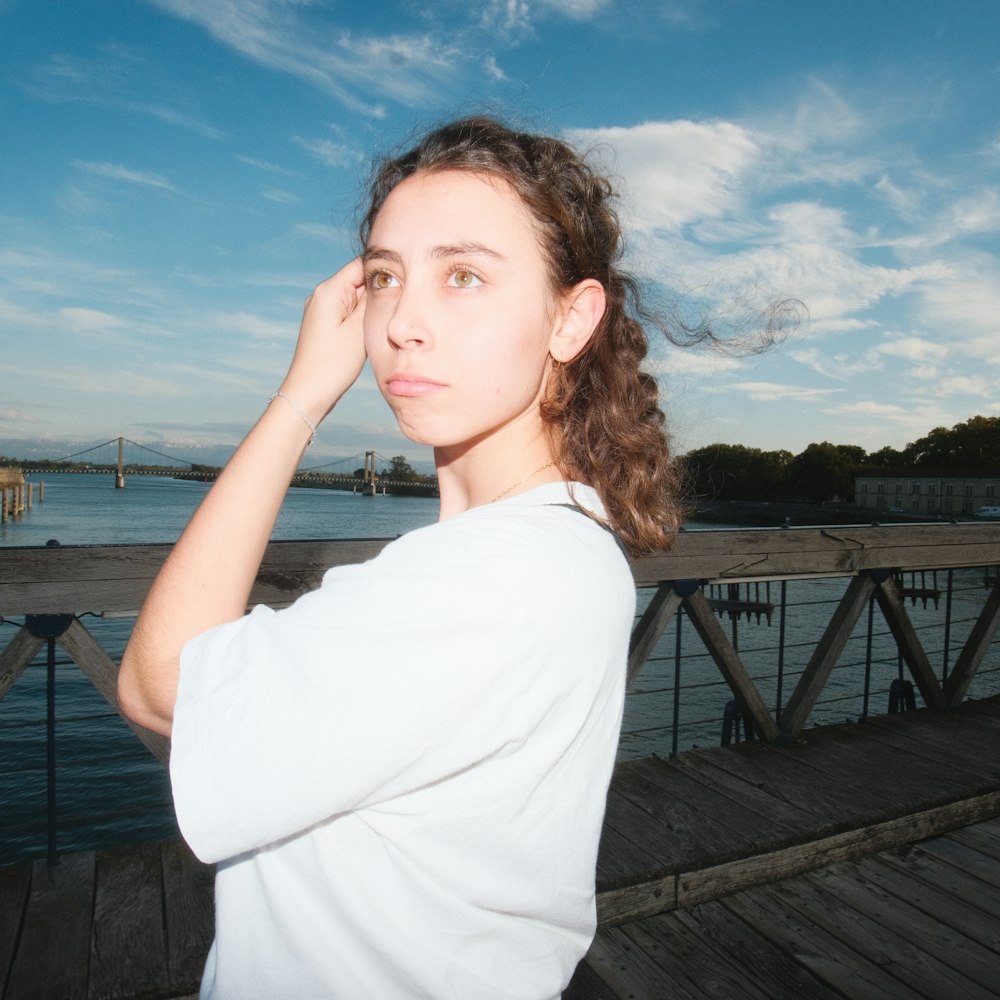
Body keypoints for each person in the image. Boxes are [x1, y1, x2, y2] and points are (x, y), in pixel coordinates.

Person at [119, 116, 680, 999]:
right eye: (384, 276)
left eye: (464, 276)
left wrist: (301, 396)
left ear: (570, 319)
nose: (404, 321)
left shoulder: (495, 579)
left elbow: (158, 688)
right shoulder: (559, 545)